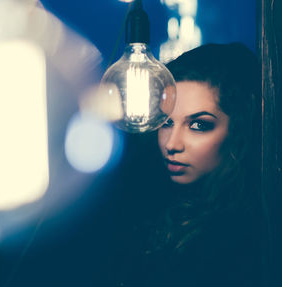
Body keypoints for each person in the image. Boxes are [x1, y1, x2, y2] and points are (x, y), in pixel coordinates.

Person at [106, 42, 266, 287]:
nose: (172, 143)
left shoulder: (241, 236)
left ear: (239, 131)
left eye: (199, 125)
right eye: (166, 122)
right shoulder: (147, 202)